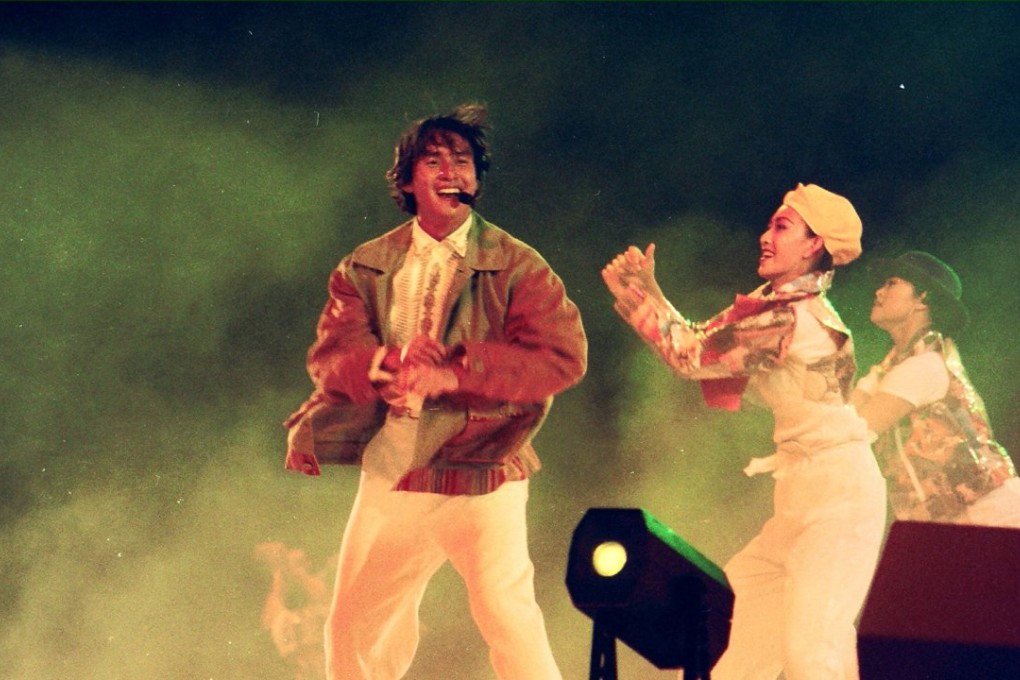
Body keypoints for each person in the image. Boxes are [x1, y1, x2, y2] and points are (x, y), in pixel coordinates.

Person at [282, 102, 587, 680]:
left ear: (477, 179)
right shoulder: (367, 266)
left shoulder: (518, 267)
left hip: (482, 464)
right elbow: (331, 358)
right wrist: (390, 363)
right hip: (397, 464)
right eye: (434, 160)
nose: (452, 172)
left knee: (506, 613)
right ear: (406, 180)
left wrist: (453, 372)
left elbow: (561, 356)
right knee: (353, 629)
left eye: (464, 161)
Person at [602, 183, 887, 680]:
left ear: (813, 244)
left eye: (781, 226)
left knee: (811, 656)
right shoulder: (774, 303)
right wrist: (651, 291)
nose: (765, 235)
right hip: (802, 495)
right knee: (741, 655)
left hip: (838, 501)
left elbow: (690, 358)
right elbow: (702, 342)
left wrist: (641, 304)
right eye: (769, 223)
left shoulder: (789, 317)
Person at [850, 250, 1020, 526]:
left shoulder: (926, 365)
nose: (879, 292)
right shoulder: (890, 369)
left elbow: (852, 430)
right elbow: (843, 415)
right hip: (953, 522)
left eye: (891, 283)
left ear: (923, 299)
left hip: (993, 515)